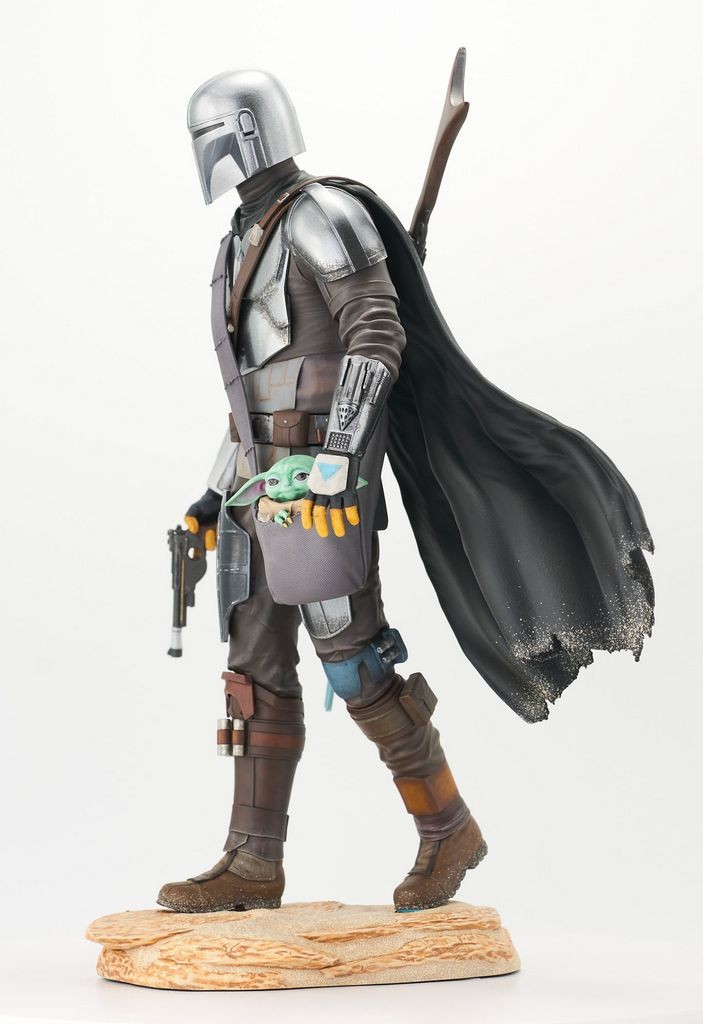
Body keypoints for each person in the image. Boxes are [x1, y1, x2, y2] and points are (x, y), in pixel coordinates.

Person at [157, 67, 654, 914]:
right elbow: (250, 395)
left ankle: (446, 828)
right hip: (253, 489)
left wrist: (337, 458)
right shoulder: (238, 237)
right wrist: (211, 496)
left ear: (244, 132)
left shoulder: (322, 215)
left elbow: (375, 332)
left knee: (353, 665)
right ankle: (251, 861)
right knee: (252, 675)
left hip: (320, 491)